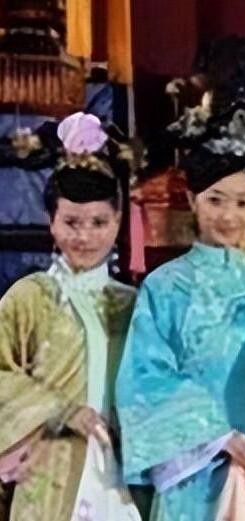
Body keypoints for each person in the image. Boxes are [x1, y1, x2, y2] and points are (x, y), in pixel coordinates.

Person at [115, 101, 245, 520]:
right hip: (194, 470)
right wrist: (217, 436)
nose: (229, 216)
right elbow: (146, 378)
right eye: (216, 200)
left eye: (243, 203)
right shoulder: (165, 287)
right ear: (192, 199)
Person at [0, 112, 141, 520]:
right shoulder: (30, 297)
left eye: (99, 222)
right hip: (48, 465)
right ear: (51, 222)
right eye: (72, 222)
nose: (85, 236)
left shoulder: (132, 304)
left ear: (118, 221)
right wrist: (61, 409)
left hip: (120, 467)